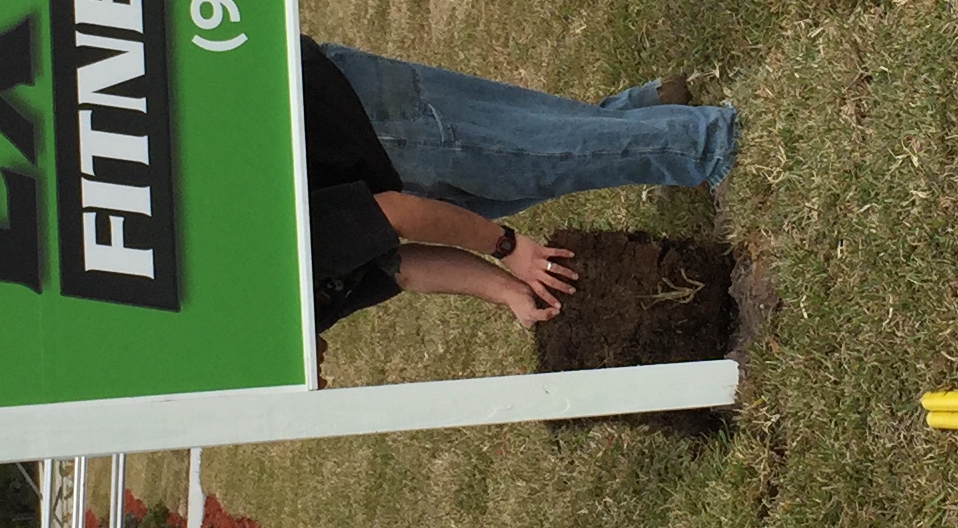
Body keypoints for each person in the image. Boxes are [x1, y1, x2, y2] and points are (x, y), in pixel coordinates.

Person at [300, 39, 737, 330]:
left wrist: (506, 247)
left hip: (345, 125)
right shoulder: (294, 332)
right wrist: (507, 290)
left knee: (531, 160)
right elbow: (397, 267)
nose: (324, 381)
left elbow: (393, 215)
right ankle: (637, 114)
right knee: (517, 170)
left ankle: (708, 144)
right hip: (362, 170)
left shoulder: (266, 309)